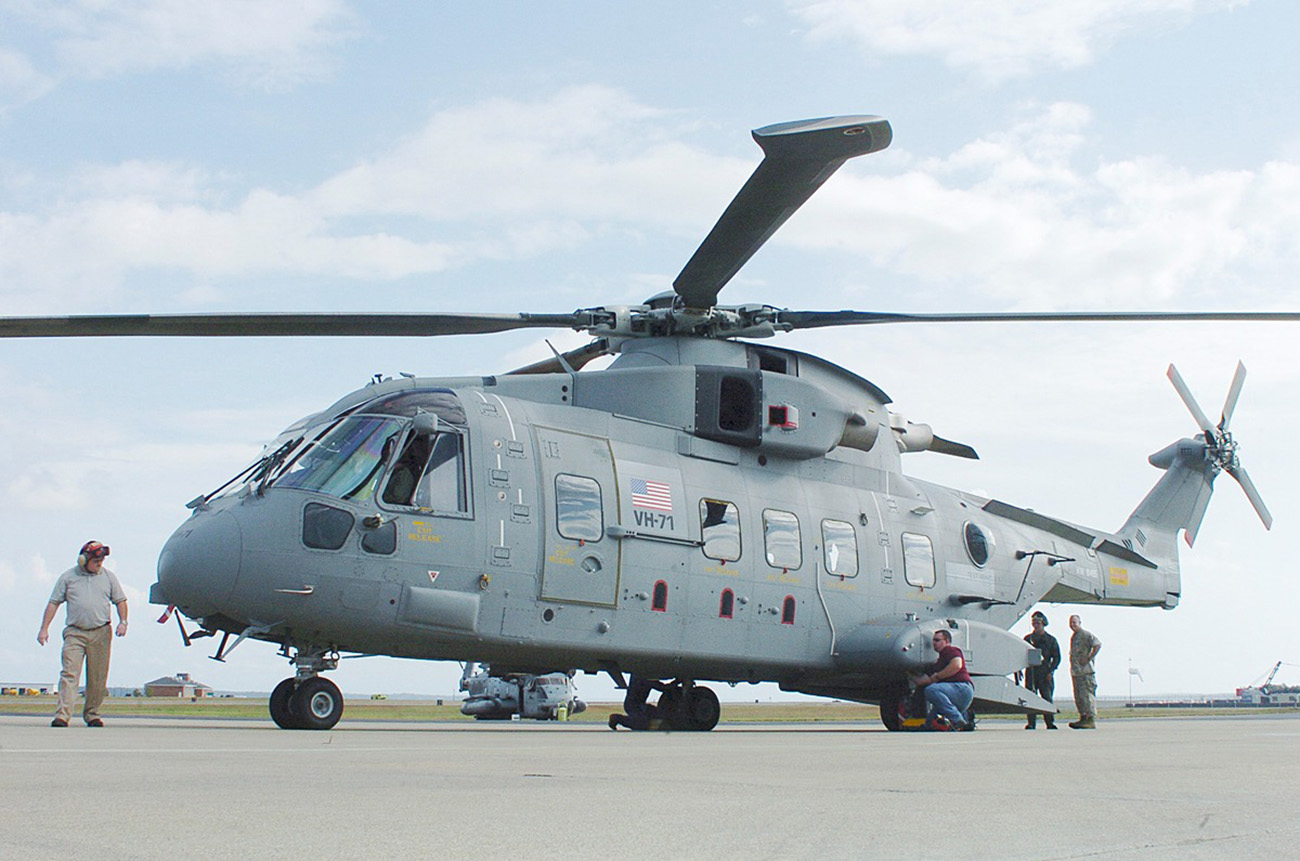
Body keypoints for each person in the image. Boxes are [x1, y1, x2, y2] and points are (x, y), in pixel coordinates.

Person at [36, 541, 128, 727]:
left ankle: (92, 714)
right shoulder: (68, 578)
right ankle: (63, 715)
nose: (99, 564)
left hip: (101, 632)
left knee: (98, 676)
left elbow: (121, 601)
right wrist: (44, 628)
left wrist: (123, 622)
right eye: (96, 560)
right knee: (69, 673)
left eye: (101, 561)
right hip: (75, 632)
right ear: (83, 559)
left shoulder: (109, 578)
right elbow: (54, 603)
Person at [911, 629, 975, 731]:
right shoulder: (938, 664)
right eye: (933, 641)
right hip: (953, 694)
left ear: (947, 641)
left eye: (937, 640)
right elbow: (921, 682)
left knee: (932, 690)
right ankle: (965, 723)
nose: (934, 643)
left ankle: (958, 721)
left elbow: (957, 665)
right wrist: (908, 674)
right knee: (929, 723)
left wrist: (937, 677)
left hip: (962, 688)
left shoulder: (950, 650)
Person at [1023, 610, 1061, 729]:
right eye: (1033, 623)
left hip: (1045, 673)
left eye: (1038, 623)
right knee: (1030, 697)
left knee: (1047, 698)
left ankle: (1049, 722)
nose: (1035, 625)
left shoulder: (1051, 640)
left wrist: (1051, 671)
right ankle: (1031, 722)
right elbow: (1020, 655)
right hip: (1031, 672)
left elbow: (1057, 657)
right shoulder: (1028, 639)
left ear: (1043, 623)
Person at [1068, 614, 1102, 729]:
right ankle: (1083, 717)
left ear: (1079, 623)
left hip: (1086, 672)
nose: (1072, 625)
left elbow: (1097, 644)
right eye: (1071, 623)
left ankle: (1090, 719)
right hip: (1076, 672)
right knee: (1079, 696)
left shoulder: (1086, 635)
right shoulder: (1074, 637)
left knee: (1087, 695)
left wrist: (1089, 658)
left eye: (1074, 622)